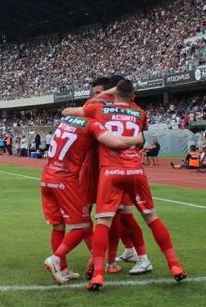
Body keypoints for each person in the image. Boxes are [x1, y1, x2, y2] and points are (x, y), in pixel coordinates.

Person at [65, 80, 186, 291]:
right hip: (136, 171)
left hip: (110, 171)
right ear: (133, 96)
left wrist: (104, 97)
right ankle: (174, 265)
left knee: (103, 221)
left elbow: (68, 111)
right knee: (151, 217)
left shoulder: (98, 108)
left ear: (113, 93)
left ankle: (100, 275)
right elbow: (143, 130)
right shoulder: (140, 113)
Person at [42, 115, 143, 285]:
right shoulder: (92, 124)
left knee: (58, 225)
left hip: (47, 177)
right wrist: (137, 138)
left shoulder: (68, 119)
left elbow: (67, 110)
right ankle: (56, 259)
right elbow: (115, 143)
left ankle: (64, 270)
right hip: (66, 179)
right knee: (82, 226)